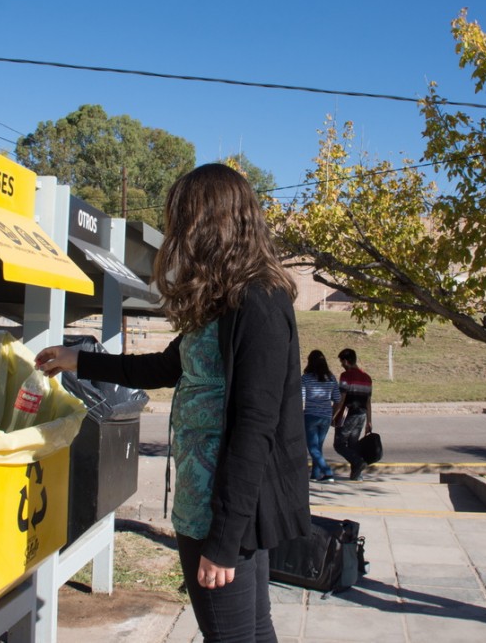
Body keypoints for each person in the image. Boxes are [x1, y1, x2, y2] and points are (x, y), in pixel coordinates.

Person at [35, 164, 310, 643]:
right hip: (200, 507)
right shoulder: (224, 301)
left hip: (225, 516)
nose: (178, 233)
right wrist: (77, 359)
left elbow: (254, 429)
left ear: (214, 222)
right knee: (245, 632)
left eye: (183, 218)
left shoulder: (260, 303)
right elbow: (163, 368)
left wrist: (225, 542)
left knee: (233, 635)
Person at [332, 348, 373, 481]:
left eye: (341, 362)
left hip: (346, 413)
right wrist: (369, 421)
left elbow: (341, 398)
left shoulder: (345, 376)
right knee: (353, 444)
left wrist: (333, 415)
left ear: (346, 361)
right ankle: (356, 475)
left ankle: (358, 461)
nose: (341, 365)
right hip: (361, 414)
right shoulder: (367, 378)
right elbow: (368, 402)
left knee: (339, 444)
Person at [301, 350, 339, 482]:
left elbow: (302, 397)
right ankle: (315, 474)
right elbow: (337, 399)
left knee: (312, 447)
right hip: (326, 416)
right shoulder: (331, 378)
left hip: (311, 415)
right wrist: (332, 414)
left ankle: (327, 472)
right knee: (318, 447)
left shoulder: (306, 378)